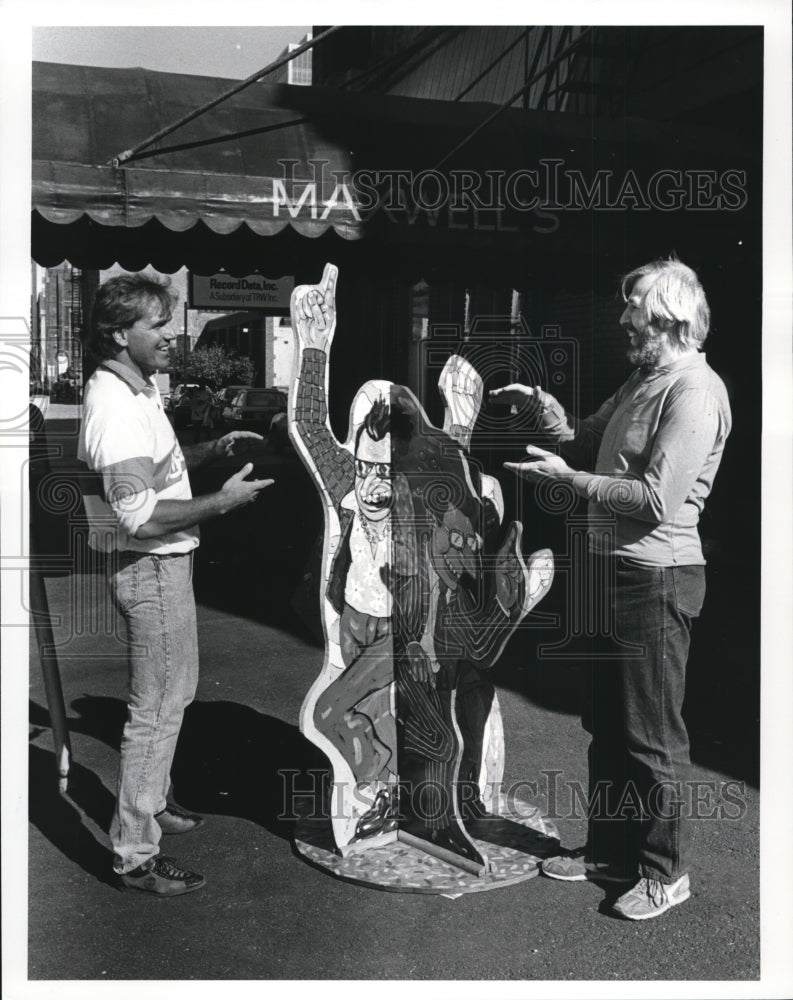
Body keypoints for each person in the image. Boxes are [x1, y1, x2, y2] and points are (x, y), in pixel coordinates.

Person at [491, 257, 731, 921]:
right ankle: (607, 852)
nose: (623, 320)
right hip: (605, 568)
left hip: (654, 579)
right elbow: (583, 440)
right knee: (606, 727)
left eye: (633, 311)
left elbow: (654, 500)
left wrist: (568, 482)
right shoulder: (642, 378)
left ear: (667, 320)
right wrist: (546, 414)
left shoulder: (694, 391)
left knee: (650, 737)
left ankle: (663, 871)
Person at [78, 273, 273, 896]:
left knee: (176, 692)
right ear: (118, 334)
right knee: (157, 709)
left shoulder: (137, 392)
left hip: (166, 565)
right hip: (151, 567)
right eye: (157, 325)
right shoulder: (112, 404)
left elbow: (154, 470)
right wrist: (224, 501)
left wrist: (210, 448)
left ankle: (153, 800)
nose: (171, 335)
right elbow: (139, 516)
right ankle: (135, 853)